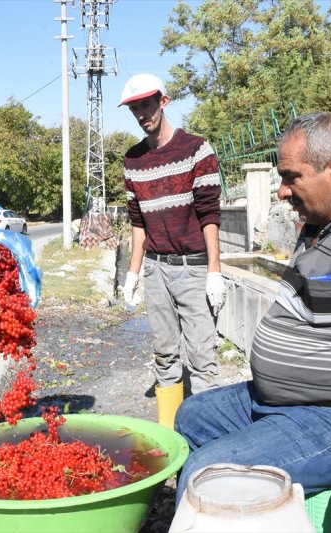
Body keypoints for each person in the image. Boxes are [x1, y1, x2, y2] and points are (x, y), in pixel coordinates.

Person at [174, 112, 331, 533]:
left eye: (291, 177)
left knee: (206, 474)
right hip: (279, 402)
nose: (280, 191)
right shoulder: (323, 220)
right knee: (191, 417)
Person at [119, 73, 226, 429]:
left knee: (201, 358)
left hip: (194, 268)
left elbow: (209, 214)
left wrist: (215, 271)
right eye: (134, 108)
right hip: (156, 269)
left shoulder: (196, 149)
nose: (141, 114)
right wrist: (132, 274)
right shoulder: (132, 161)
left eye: (146, 105)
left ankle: (207, 441)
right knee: (165, 355)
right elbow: (138, 223)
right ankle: (172, 439)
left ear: (163, 102)